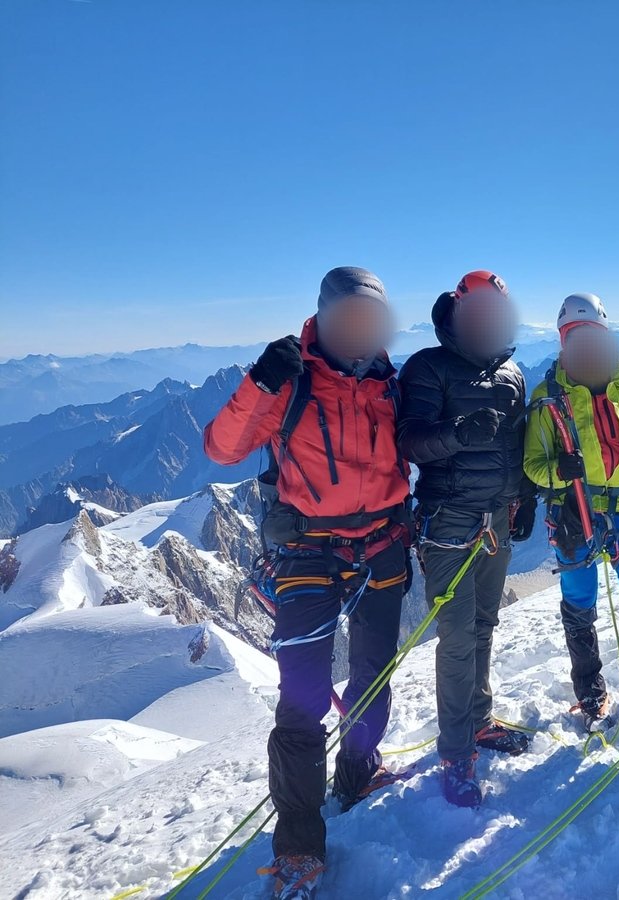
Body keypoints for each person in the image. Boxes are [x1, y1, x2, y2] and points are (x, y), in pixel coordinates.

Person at [204, 266, 412, 898]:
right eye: (347, 317)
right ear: (322, 318)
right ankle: (297, 844)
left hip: (382, 544)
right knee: (304, 695)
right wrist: (257, 382)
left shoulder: (393, 384)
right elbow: (222, 447)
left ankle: (355, 771)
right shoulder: (289, 381)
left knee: (373, 674)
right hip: (307, 553)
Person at [396, 270, 538, 809]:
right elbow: (409, 441)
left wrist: (524, 498)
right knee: (457, 637)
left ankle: (477, 723)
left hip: (495, 516)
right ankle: (456, 753)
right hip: (448, 520)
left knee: (484, 623)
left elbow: (518, 443)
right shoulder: (428, 367)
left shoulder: (512, 371)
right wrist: (457, 434)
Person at [523, 292, 619, 730]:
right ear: (563, 343)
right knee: (579, 607)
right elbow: (531, 466)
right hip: (575, 514)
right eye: (576, 339)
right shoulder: (548, 398)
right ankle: (590, 693)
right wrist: (559, 471)